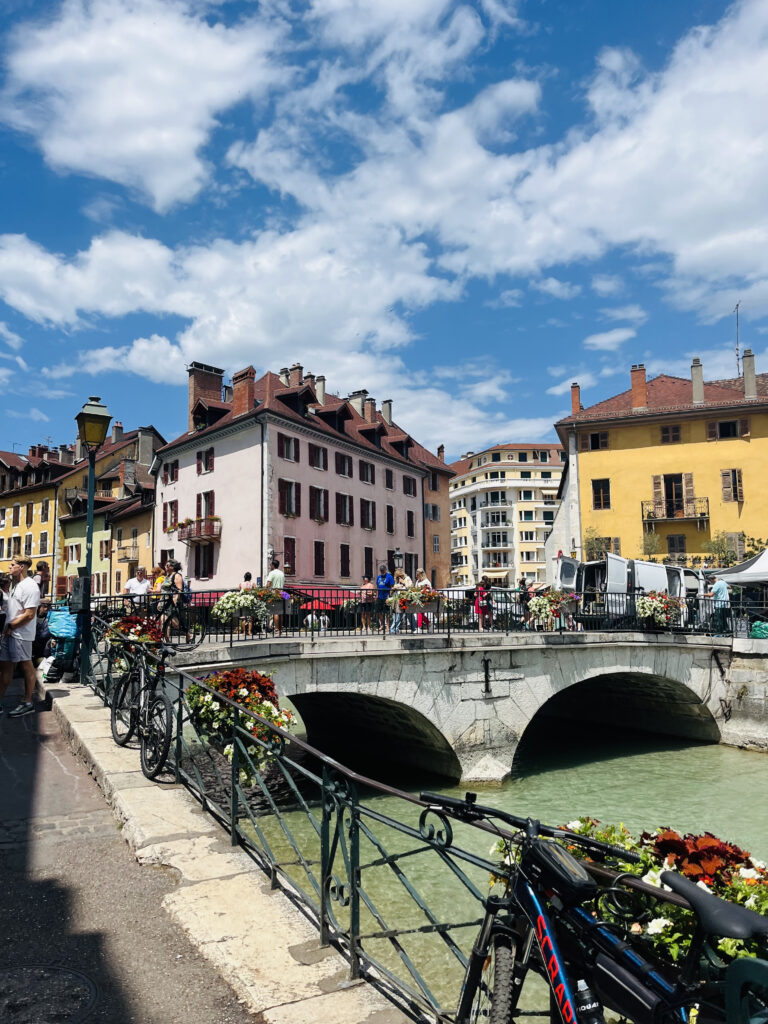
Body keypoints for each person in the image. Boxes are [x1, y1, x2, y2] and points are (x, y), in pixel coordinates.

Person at [0, 555, 42, 717]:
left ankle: (28, 702)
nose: (10, 568)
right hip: (10, 633)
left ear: (22, 567)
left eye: (12, 565)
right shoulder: (17, 585)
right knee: (5, 668)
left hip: (21, 634)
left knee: (26, 666)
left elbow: (30, 614)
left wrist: (12, 626)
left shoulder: (30, 586)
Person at [389, 569, 414, 634]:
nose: (398, 578)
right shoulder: (397, 581)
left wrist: (403, 582)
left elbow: (410, 587)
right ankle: (393, 629)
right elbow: (395, 588)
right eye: (397, 577)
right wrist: (394, 588)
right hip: (399, 599)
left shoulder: (407, 578)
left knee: (409, 615)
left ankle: (414, 628)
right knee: (399, 615)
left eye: (399, 576)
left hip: (406, 599)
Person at [265, 559, 285, 635]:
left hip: (274, 593)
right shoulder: (282, 573)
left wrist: (266, 590)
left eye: (271, 565)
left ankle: (276, 629)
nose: (270, 566)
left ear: (273, 565)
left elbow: (268, 584)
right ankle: (280, 628)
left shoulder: (272, 573)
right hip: (281, 593)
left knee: (275, 612)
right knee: (281, 612)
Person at [414, 567, 434, 633]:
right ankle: (429, 624)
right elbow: (416, 589)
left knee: (420, 613)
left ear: (422, 575)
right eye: (417, 576)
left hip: (425, 599)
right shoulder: (417, 582)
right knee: (420, 613)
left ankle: (419, 628)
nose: (417, 577)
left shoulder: (426, 581)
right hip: (419, 599)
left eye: (418, 575)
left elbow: (429, 590)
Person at [376, 564, 394, 629]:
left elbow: (392, 587)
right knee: (379, 611)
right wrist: (377, 596)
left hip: (386, 596)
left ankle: (387, 626)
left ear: (385, 570)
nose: (382, 572)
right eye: (381, 571)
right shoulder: (378, 577)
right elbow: (377, 587)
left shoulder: (389, 577)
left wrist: (390, 596)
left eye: (383, 571)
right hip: (380, 596)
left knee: (387, 612)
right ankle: (382, 624)